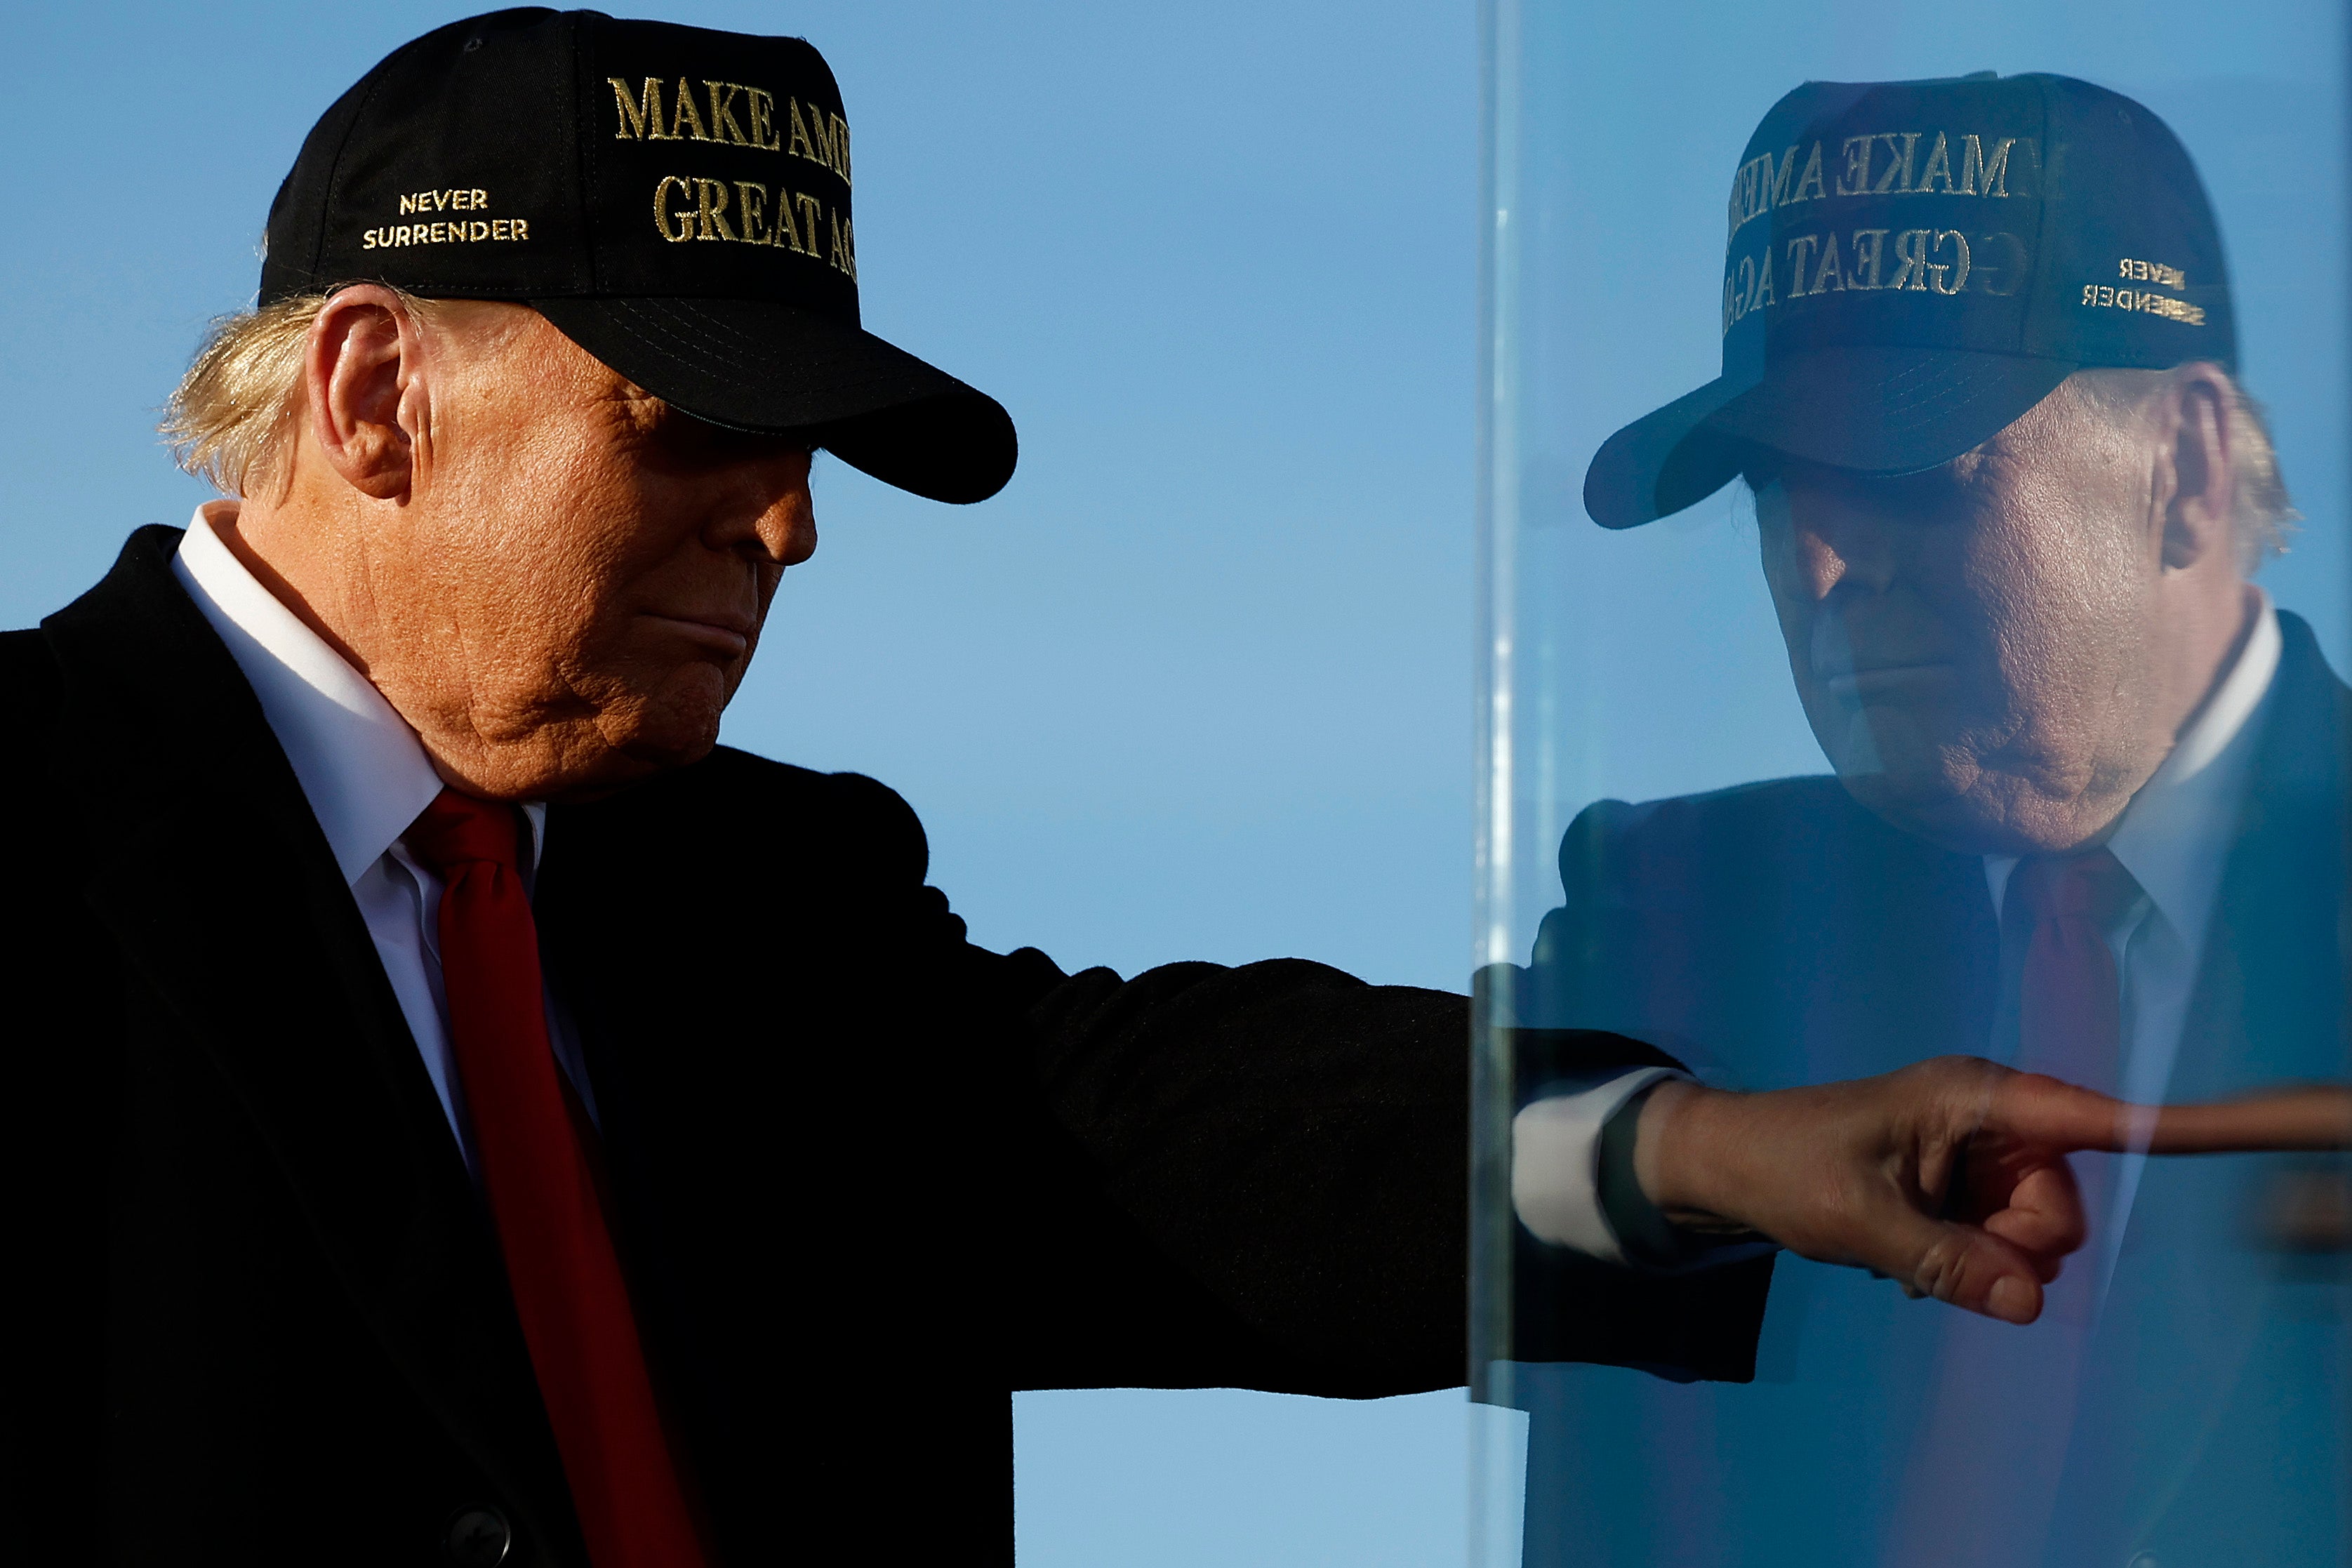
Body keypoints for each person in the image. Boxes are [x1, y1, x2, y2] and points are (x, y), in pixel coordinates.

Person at [0, 22, 2249, 1565]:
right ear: (379, 392)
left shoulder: (765, 899)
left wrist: (1694, 1145)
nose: (788, 530)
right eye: (692, 427)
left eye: (815, 456)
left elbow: (1185, 1133)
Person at [1503, 69, 2351, 1566]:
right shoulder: (1675, 912)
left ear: (2186, 468)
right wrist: (1659, 1153)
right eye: (1775, 486)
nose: (1823, 564)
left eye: (1909, 470)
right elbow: (1326, 1170)